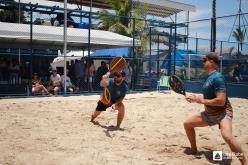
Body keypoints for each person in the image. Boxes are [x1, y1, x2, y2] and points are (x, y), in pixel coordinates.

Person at [184, 52, 247, 165]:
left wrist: (201, 100)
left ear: (211, 62)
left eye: (205, 60)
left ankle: (244, 162)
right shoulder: (209, 77)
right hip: (210, 114)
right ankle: (194, 149)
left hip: (223, 113)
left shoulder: (218, 77)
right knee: (187, 124)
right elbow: (208, 97)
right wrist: (195, 98)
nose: (203, 62)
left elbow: (221, 101)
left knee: (227, 136)